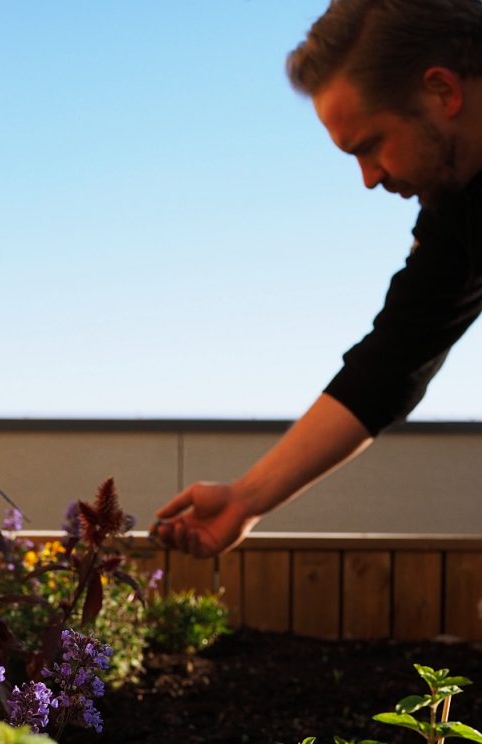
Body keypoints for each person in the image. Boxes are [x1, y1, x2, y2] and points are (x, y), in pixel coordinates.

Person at [153, 0, 482, 558]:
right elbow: (391, 362)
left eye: (371, 145)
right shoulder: (459, 208)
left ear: (441, 91)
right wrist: (246, 500)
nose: (369, 178)